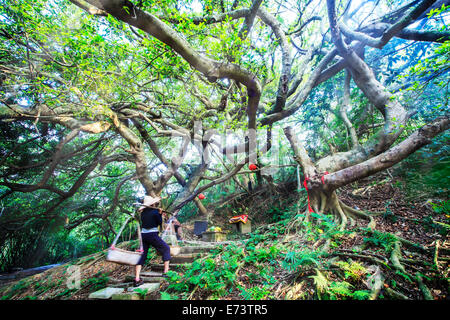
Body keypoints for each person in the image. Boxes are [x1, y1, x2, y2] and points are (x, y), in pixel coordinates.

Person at [134, 195, 171, 287]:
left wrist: (159, 213)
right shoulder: (155, 212)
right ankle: (166, 272)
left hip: (143, 236)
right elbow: (158, 222)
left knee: (142, 255)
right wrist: (160, 214)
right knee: (166, 249)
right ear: (153, 203)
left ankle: (137, 278)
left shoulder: (143, 213)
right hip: (152, 235)